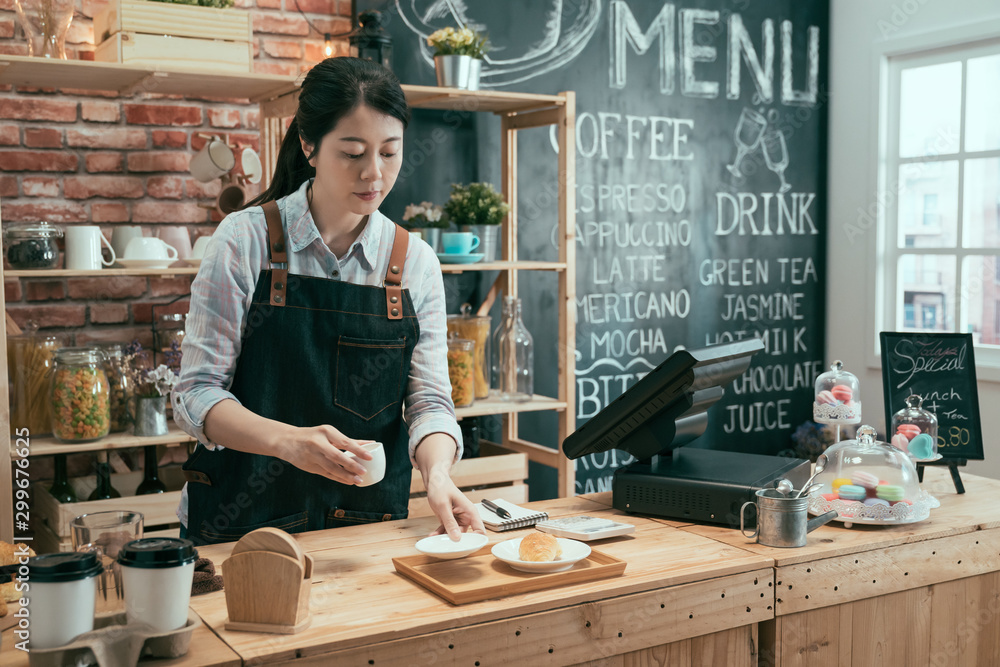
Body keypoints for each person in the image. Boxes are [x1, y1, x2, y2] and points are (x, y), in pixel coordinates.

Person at [172, 57, 485, 545]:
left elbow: (429, 402)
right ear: (309, 145)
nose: (374, 174)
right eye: (353, 153)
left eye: (389, 152)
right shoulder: (245, 241)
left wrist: (438, 474)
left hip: (364, 534)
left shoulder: (414, 261)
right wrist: (286, 442)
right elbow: (195, 394)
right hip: (242, 529)